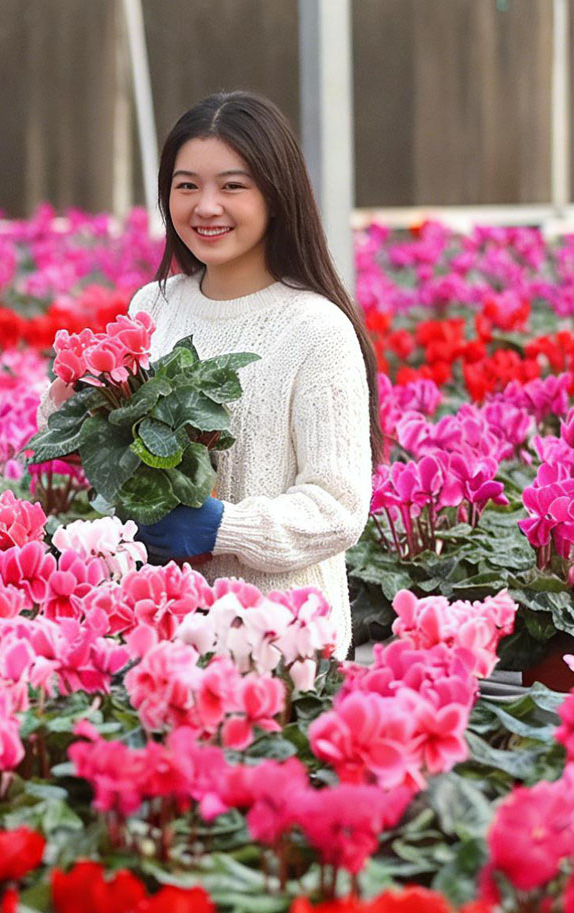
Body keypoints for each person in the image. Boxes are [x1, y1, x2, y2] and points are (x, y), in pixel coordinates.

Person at [37, 90, 380, 655]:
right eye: (187, 185)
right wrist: (70, 406)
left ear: (277, 194)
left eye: (232, 186)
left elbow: (337, 507)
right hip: (159, 623)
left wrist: (222, 527)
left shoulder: (316, 329)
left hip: (280, 640)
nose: (206, 206)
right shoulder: (155, 306)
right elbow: (107, 444)